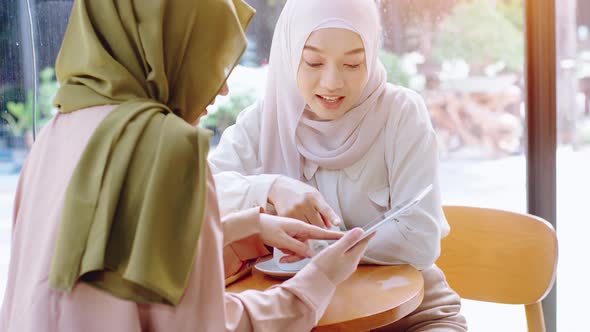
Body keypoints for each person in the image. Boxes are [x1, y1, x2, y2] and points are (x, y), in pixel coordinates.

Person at [0, 0, 373, 331]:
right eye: (207, 53)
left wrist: (247, 227)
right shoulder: (164, 147)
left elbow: (104, 274)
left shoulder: (56, 133)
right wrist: (316, 282)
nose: (223, 87)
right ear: (166, 47)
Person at [209, 0, 468, 330]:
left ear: (371, 57)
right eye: (314, 62)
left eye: (353, 64)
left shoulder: (400, 113)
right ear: (290, 55)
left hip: (410, 317)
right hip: (300, 320)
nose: (331, 82)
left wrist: (315, 245)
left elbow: (419, 239)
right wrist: (271, 188)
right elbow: (201, 200)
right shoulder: (264, 120)